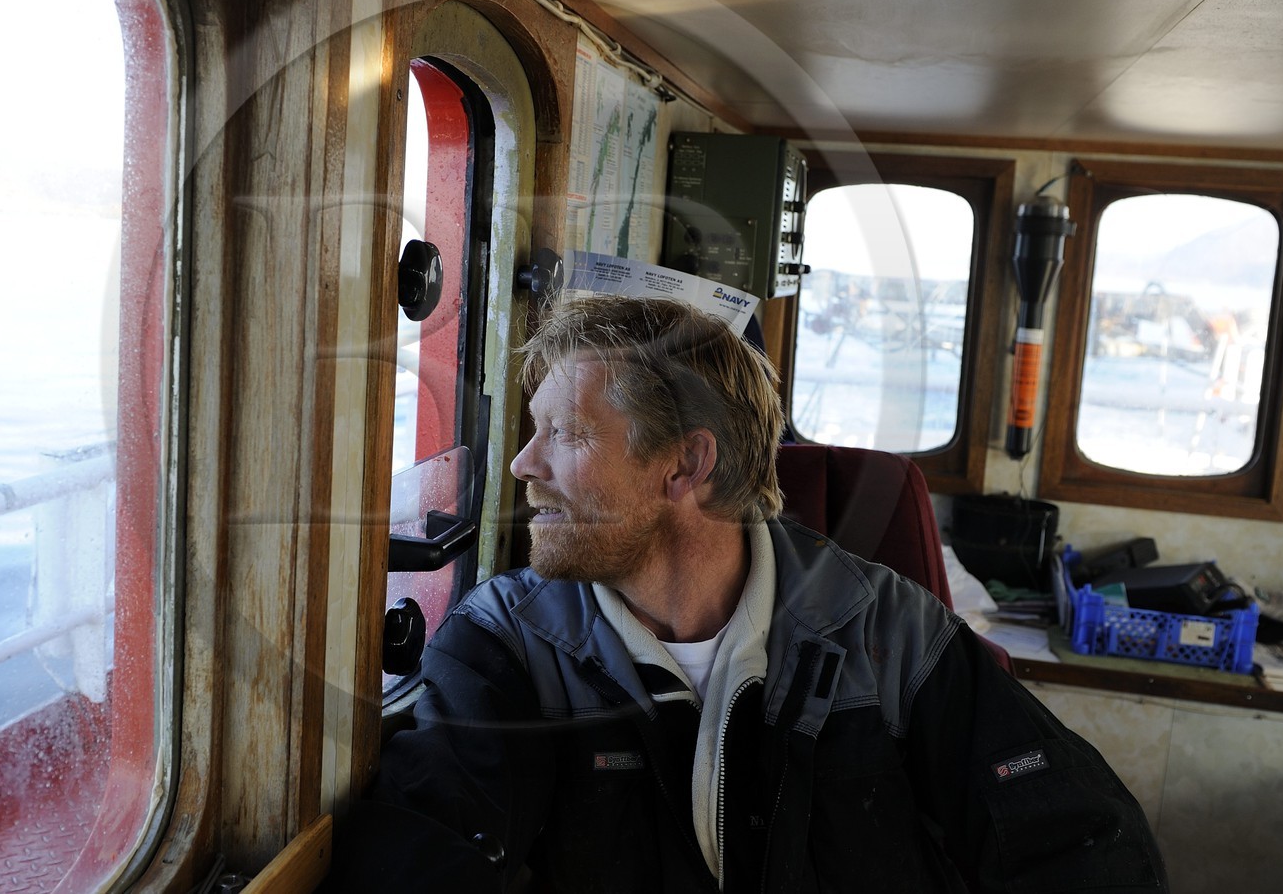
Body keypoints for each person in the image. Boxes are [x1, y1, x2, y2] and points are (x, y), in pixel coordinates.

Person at [330, 295, 1167, 892]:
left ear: (686, 466)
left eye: (567, 434)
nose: (523, 466)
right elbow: (428, 849)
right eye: (531, 429)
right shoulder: (507, 644)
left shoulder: (887, 635)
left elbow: (1084, 845)